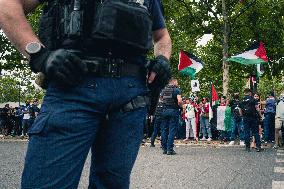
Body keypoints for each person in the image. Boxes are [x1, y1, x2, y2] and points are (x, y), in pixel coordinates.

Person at [0, 0, 172, 188]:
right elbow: (6, 4)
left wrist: (163, 59)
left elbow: (162, 36)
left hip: (131, 97)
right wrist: (39, 54)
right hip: (72, 87)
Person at [160, 78, 182, 155]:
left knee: (164, 130)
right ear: (173, 82)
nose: (178, 83)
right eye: (177, 82)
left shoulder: (164, 90)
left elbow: (161, 99)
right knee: (172, 130)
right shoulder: (177, 90)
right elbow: (179, 101)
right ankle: (170, 149)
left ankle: (164, 149)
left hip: (164, 111)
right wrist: (181, 106)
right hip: (173, 110)